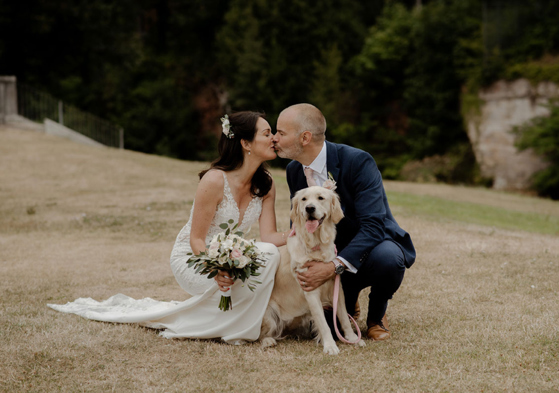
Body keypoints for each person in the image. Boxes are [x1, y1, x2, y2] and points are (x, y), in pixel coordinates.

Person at [49, 111, 290, 345]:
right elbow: (197, 239)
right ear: (246, 143)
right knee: (243, 274)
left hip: (233, 258)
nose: (274, 139)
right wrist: (216, 268)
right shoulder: (215, 180)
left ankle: (236, 326)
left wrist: (300, 233)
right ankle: (225, 327)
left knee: (269, 253)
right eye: (267, 133)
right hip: (194, 259)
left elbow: (268, 237)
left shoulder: (266, 185)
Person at [272, 103, 416, 341]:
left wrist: (332, 266)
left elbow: (373, 226)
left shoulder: (358, 161)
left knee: (389, 258)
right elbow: (300, 223)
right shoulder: (293, 171)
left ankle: (377, 316)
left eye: (281, 133)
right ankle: (349, 301)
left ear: (305, 137)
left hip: (366, 249)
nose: (275, 138)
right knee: (318, 329)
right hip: (325, 250)